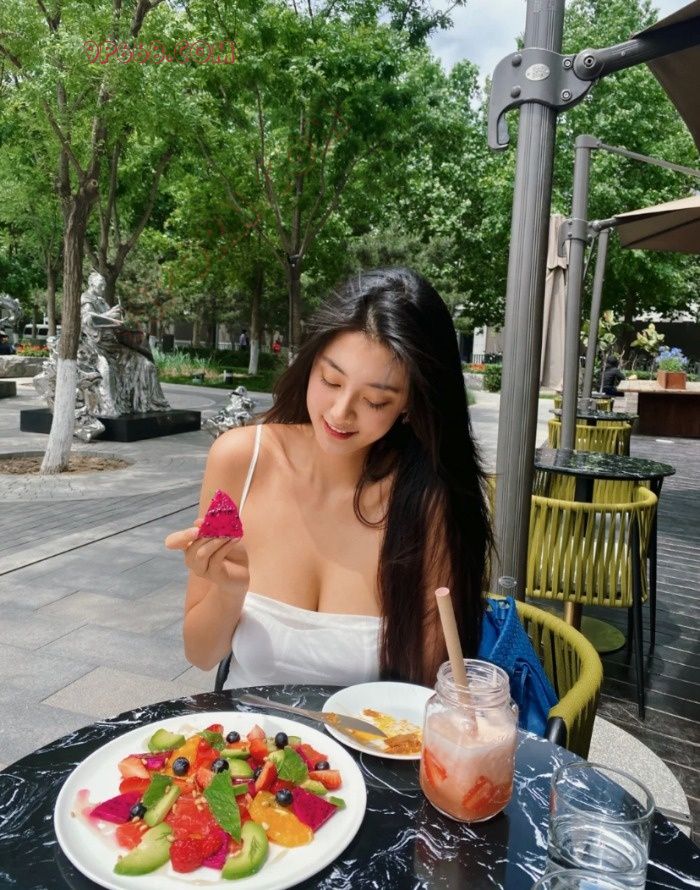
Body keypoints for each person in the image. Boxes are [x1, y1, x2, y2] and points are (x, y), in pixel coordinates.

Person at [165, 268, 492, 688]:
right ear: (310, 362)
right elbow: (201, 654)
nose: (340, 412)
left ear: (410, 405)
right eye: (330, 380)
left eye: (375, 400)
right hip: (246, 728)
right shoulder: (241, 459)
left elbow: (427, 688)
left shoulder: (425, 501)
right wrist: (228, 590)